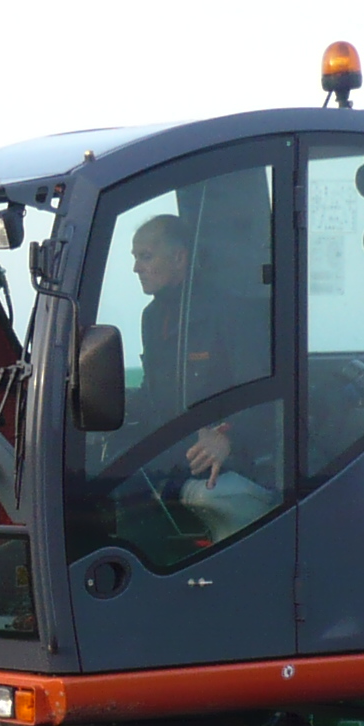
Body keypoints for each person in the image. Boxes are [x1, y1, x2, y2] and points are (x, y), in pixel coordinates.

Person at [128, 211, 275, 535]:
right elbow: (153, 395)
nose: (136, 268)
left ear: (179, 258)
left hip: (233, 460)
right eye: (135, 257)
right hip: (171, 453)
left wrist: (227, 436)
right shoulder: (152, 318)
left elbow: (264, 395)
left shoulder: (230, 312)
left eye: (146, 256)